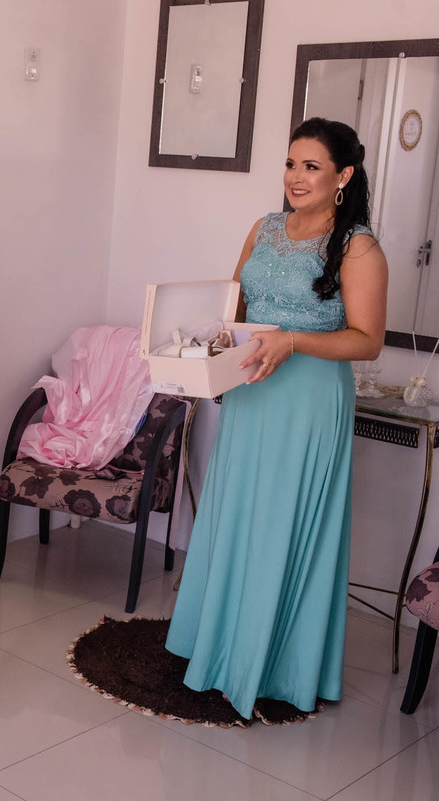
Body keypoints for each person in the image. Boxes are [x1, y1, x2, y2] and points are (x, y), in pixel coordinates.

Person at [165, 118, 388, 719]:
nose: (295, 177)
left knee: (283, 524)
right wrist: (200, 352)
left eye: (311, 166)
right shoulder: (263, 229)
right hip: (251, 390)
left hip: (309, 401)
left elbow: (367, 340)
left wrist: (293, 341)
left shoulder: (358, 246)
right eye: (291, 164)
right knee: (238, 514)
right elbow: (233, 307)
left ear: (343, 176)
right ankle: (217, 646)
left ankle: (274, 663)